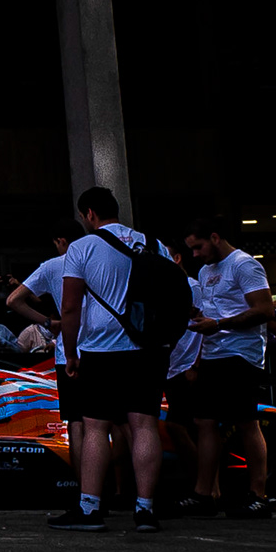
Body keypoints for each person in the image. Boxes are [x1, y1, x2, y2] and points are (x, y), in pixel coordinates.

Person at [52, 187, 165, 530]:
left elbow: (70, 307)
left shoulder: (82, 248)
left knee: (96, 427)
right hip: (146, 349)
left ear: (89, 214)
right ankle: (145, 509)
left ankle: (89, 508)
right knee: (144, 424)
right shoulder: (151, 243)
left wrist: (70, 352)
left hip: (101, 350)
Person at [169, 219, 276, 515]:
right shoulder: (205, 271)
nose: (195, 254)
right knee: (204, 422)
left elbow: (266, 310)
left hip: (241, 355)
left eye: (198, 246)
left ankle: (258, 494)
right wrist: (198, 353)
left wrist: (219, 324)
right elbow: (211, 315)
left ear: (214, 237)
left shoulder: (244, 265)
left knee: (245, 421)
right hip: (214, 354)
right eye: (190, 249)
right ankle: (204, 493)